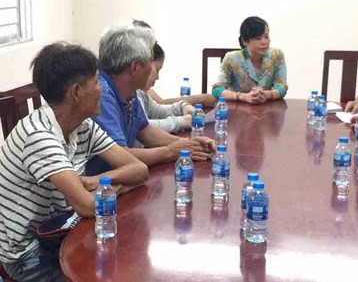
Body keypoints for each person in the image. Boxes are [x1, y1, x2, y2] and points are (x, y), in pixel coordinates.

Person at [0, 43, 148, 282]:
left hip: (65, 232)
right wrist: (119, 187)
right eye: (97, 82)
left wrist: (98, 181)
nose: (102, 90)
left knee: (131, 259)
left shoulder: (83, 125)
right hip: (29, 255)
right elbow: (88, 206)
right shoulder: (39, 136)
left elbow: (139, 170)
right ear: (77, 92)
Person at [86, 23, 215, 175]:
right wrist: (170, 152)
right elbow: (120, 155)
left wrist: (189, 144)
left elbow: (145, 131)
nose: (153, 69)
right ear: (135, 67)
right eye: (150, 61)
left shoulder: (129, 91)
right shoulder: (101, 94)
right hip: (101, 185)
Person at [131, 19, 217, 108]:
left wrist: (195, 101)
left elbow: (159, 105)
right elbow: (159, 106)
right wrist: (198, 99)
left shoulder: (141, 91)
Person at [212, 16, 288, 104]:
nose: (264, 42)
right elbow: (217, 89)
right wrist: (242, 96)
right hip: (237, 110)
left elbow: (281, 86)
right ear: (245, 41)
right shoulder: (231, 59)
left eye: (266, 37)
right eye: (258, 38)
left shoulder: (276, 56)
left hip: (268, 110)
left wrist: (266, 94)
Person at [137, 43, 194, 133]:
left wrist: (182, 106)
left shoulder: (140, 93)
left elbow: (156, 111)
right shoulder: (130, 93)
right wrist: (183, 121)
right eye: (157, 70)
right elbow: (144, 128)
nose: (157, 77)